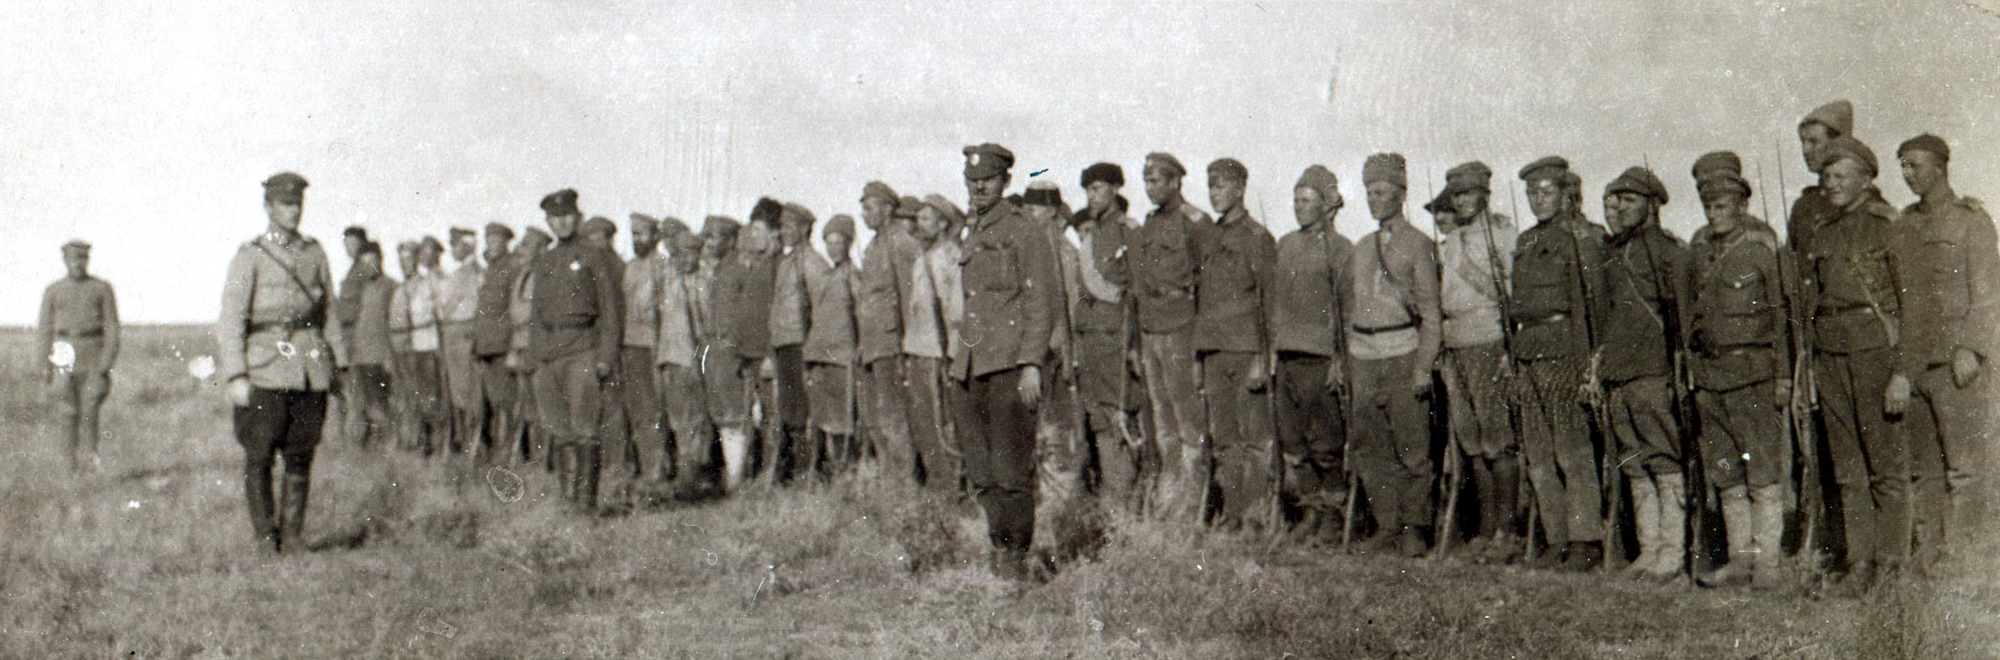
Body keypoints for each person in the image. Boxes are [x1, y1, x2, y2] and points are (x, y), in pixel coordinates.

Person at [1801, 137, 1914, 595]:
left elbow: (1912, 306)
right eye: (1826, 177)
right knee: (1848, 467)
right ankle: (1860, 564)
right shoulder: (1823, 231)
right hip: (1830, 353)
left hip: (1874, 352)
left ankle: (1891, 567)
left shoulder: (1887, 226)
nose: (1831, 184)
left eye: (1840, 176)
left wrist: (1902, 372)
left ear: (1866, 179)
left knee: (1885, 465)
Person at [216, 172, 347, 553]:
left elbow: (330, 313)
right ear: (269, 207)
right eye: (285, 205)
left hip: (309, 369)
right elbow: (232, 319)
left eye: (297, 204)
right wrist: (236, 374)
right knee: (259, 454)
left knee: (301, 453)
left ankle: (292, 537)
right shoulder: (250, 256)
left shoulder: (314, 253)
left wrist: (340, 365)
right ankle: (264, 537)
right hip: (265, 368)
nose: (293, 212)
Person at [1683, 152, 1791, 589]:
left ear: (1742, 205)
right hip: (1712, 378)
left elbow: (1781, 315)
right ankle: (1740, 561)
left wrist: (1783, 376)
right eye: (1708, 206)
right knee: (1726, 473)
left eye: (1723, 206)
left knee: (1762, 472)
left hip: (1752, 375)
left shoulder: (1761, 249)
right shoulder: (1700, 250)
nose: (1714, 214)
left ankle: (1768, 565)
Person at [1891, 133, 1998, 574]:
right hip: (1917, 361)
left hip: (1957, 361)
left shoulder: (1971, 221)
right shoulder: (1904, 224)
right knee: (1924, 468)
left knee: (1964, 467)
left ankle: (1963, 560)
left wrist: (1971, 348)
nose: (1907, 174)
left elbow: (1987, 294)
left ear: (1940, 167)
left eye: (1914, 165)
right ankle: (1929, 555)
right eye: (1903, 166)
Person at [957, 142, 1057, 581]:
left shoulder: (1024, 230)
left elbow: (1041, 302)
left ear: (1005, 182)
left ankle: (1014, 561)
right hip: (969, 366)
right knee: (981, 472)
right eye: (972, 181)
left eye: (988, 180)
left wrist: (1031, 363)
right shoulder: (972, 231)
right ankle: (998, 548)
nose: (979, 187)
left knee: (1011, 471)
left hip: (1009, 367)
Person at [1510, 156, 1610, 571]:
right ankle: (1557, 539)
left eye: (1546, 192)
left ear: (1566, 194)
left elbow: (1594, 304)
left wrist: (1591, 363)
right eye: (1532, 193)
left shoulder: (1581, 238)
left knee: (1572, 449)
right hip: (1528, 351)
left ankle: (1585, 540)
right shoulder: (1525, 241)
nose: (1538, 200)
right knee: (1539, 453)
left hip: (1565, 350)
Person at [1595, 166, 1692, 581]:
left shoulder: (1669, 252)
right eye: (1618, 200)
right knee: (1634, 462)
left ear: (1652, 205)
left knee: (1663, 459)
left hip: (1653, 371)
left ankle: (1672, 553)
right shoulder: (1614, 252)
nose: (1621, 207)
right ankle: (1649, 551)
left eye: (1631, 200)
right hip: (1619, 372)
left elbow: (1681, 318)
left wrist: (1678, 372)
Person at [1347, 153, 1442, 556]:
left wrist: (1423, 366)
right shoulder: (1361, 248)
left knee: (1412, 445)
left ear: (1402, 194)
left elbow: (1431, 314)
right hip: (1363, 354)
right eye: (1370, 192)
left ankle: (1414, 527)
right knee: (1371, 444)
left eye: (1383, 192)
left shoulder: (1419, 245)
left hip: (1403, 350)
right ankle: (1387, 524)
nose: (1375, 200)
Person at [1435, 161, 1520, 562]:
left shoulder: (1502, 234)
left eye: (1469, 193)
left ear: (1484, 194)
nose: (1462, 201)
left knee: (1496, 440)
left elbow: (1512, 291)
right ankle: (1485, 530)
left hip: (1488, 340)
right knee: (1471, 441)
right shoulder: (1451, 241)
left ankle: (1506, 530)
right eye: (1457, 195)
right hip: (1455, 344)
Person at [1192, 158, 1279, 530]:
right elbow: (1201, 299)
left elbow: (1270, 301)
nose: (1215, 193)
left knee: (1255, 437)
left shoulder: (1258, 238)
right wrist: (1198, 356)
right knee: (1224, 438)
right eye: (1211, 186)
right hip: (1214, 349)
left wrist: (1265, 357)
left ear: (1240, 188)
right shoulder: (1207, 237)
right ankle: (1232, 512)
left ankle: (1256, 515)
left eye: (1222, 185)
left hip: (1246, 349)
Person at [528, 189, 623, 512]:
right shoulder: (545, 260)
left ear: (577, 217)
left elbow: (609, 309)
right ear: (548, 222)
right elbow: (536, 314)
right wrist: (538, 359)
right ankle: (568, 503)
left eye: (567, 215)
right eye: (554, 218)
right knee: (560, 430)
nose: (561, 222)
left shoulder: (593, 256)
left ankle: (585, 505)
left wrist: (605, 357)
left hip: (582, 348)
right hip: (550, 354)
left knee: (585, 430)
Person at [1131, 151, 1214, 518]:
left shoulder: (1195, 223)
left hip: (1182, 328)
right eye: (1146, 181)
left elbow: (1209, 286)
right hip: (1152, 329)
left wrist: (1200, 343)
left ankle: (1192, 506)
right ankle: (1170, 498)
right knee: (1163, 422)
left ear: (1175, 182)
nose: (1150, 189)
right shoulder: (1148, 224)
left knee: (1189, 423)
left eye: (1156, 181)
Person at [1271, 165, 1352, 541]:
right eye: (1296, 200)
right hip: (1286, 355)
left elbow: (1347, 308)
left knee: (1326, 443)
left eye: (1307, 200)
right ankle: (1310, 510)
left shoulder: (1340, 249)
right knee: (1293, 441)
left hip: (1320, 358)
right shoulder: (1285, 244)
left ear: (1326, 205)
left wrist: (1339, 359)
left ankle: (1333, 514)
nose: (1299, 207)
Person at [1070, 162, 1147, 511]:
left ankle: (1123, 502)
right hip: (1091, 340)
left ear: (1115, 189)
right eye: (1089, 190)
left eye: (1098, 189)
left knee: (1119, 417)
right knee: (1099, 418)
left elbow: (1137, 290)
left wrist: (1133, 346)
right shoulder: (1093, 234)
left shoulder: (1126, 230)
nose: (1092, 196)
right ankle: (1113, 500)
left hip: (1115, 339)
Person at [1024, 181, 1090, 506]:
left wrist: (1066, 350)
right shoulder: (1031, 249)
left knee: (1060, 432)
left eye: (1035, 208)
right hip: (1036, 352)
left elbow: (1072, 307)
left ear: (1051, 211)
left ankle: (1063, 503)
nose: (1029, 214)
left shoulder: (1064, 252)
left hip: (1057, 353)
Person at [856, 181, 923, 485]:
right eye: (863, 209)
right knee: (875, 417)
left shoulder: (901, 243)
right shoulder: (874, 246)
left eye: (869, 208)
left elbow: (910, 299)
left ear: (887, 209)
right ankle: (889, 480)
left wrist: (907, 347)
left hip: (891, 344)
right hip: (872, 345)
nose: (864, 215)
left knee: (893, 415)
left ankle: (903, 484)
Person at [710, 205, 780, 489]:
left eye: (760, 230)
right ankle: (749, 476)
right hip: (747, 352)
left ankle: (770, 475)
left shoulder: (774, 266)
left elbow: (775, 314)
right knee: (752, 415)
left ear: (774, 233)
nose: (754, 236)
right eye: (752, 230)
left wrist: (770, 354)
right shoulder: (755, 265)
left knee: (770, 414)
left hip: (765, 353)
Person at [38, 239, 121, 473]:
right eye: (73, 259)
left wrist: (105, 363)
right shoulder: (54, 290)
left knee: (90, 411)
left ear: (88, 260)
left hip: (93, 354)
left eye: (82, 259)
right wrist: (44, 364)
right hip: (63, 354)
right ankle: (69, 466)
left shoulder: (101, 289)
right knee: (67, 411)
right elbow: (45, 329)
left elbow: (112, 328)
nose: (78, 264)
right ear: (65, 260)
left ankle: (91, 462)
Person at [904, 194, 967, 494]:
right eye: (919, 218)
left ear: (943, 224)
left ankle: (951, 487)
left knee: (942, 423)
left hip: (937, 353)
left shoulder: (949, 257)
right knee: (925, 424)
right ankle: (939, 486)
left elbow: (956, 311)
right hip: (919, 350)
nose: (920, 224)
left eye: (927, 218)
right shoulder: (923, 256)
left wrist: (951, 353)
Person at [607, 213, 668, 498]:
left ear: (655, 236)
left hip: (653, 346)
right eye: (634, 234)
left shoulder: (662, 266)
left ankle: (658, 469)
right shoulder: (630, 268)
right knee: (636, 408)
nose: (637, 239)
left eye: (642, 233)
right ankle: (645, 467)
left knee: (655, 409)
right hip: (630, 345)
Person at [657, 217, 717, 492]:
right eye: (680, 253)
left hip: (695, 359)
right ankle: (686, 472)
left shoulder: (704, 281)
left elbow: (708, 326)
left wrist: (701, 360)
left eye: (691, 253)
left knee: (696, 418)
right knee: (679, 419)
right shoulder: (668, 279)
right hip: (671, 358)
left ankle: (694, 473)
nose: (685, 259)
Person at [803, 215, 861, 478]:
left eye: (839, 242)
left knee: (842, 420)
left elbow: (860, 315)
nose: (833, 248)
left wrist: (857, 349)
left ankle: (843, 472)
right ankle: (823, 472)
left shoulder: (853, 277)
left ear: (848, 243)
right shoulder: (825, 276)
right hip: (819, 355)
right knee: (820, 416)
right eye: (829, 242)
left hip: (841, 356)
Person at [768, 203, 818, 486]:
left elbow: (817, 306)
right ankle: (791, 470)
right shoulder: (787, 260)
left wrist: (811, 344)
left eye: (789, 226)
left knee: (800, 408)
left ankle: (804, 470)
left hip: (800, 343)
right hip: (784, 341)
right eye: (782, 226)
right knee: (788, 407)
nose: (784, 231)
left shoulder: (810, 261)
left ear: (804, 228)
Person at [389, 237, 447, 456]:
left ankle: (429, 442)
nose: (405, 264)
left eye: (409, 259)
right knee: (406, 396)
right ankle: (410, 440)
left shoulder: (423, 285)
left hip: (418, 347)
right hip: (400, 348)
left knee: (425, 395)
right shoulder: (400, 287)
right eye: (402, 260)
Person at [469, 222, 519, 463]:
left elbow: (513, 308)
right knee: (490, 401)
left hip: (501, 345)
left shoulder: (512, 267)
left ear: (506, 242)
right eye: (489, 240)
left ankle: (509, 453)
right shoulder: (490, 269)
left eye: (497, 241)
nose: (492, 245)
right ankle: (495, 451)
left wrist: (511, 345)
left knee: (506, 402)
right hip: (485, 346)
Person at [341, 241, 397, 450]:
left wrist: (389, 354)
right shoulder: (358, 288)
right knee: (361, 402)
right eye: (364, 263)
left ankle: (386, 443)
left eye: (372, 261)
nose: (368, 267)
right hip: (359, 354)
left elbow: (394, 322)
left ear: (380, 260)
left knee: (380, 401)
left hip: (379, 354)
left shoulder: (390, 286)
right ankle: (368, 444)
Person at [507, 228, 553, 465]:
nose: (521, 249)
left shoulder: (545, 275)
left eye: (527, 245)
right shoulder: (523, 275)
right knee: (527, 405)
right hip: (521, 346)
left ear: (541, 249)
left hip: (537, 347)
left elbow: (534, 312)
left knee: (542, 404)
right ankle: (534, 456)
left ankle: (544, 458)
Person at [441, 227, 485, 456]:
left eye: (455, 245)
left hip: (463, 331)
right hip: (453, 332)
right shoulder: (460, 273)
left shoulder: (473, 273)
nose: (452, 250)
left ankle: (472, 442)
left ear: (466, 247)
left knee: (466, 390)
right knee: (457, 389)